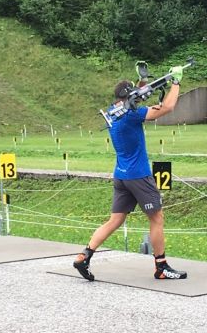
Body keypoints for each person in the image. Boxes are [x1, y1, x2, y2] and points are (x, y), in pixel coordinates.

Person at [73, 65, 187, 281]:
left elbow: (134, 97)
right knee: (157, 218)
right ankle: (161, 267)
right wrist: (176, 82)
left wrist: (142, 82)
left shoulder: (112, 112)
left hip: (121, 175)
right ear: (129, 97)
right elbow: (169, 107)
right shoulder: (133, 115)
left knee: (114, 220)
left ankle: (84, 255)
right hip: (139, 175)